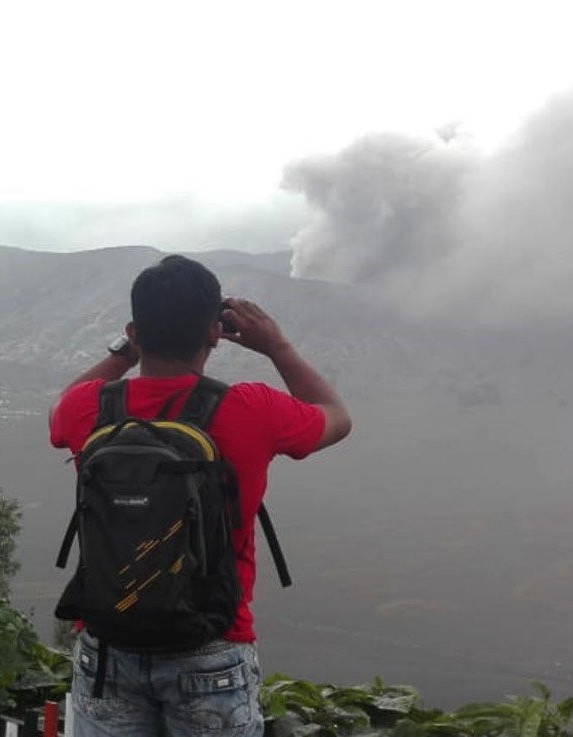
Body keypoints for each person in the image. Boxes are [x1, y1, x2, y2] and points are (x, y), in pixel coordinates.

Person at [48, 254, 352, 737]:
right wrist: (276, 345)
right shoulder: (250, 408)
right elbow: (335, 415)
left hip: (108, 647)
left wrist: (125, 351)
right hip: (210, 649)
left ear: (134, 331)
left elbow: (61, 408)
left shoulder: (88, 408)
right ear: (215, 332)